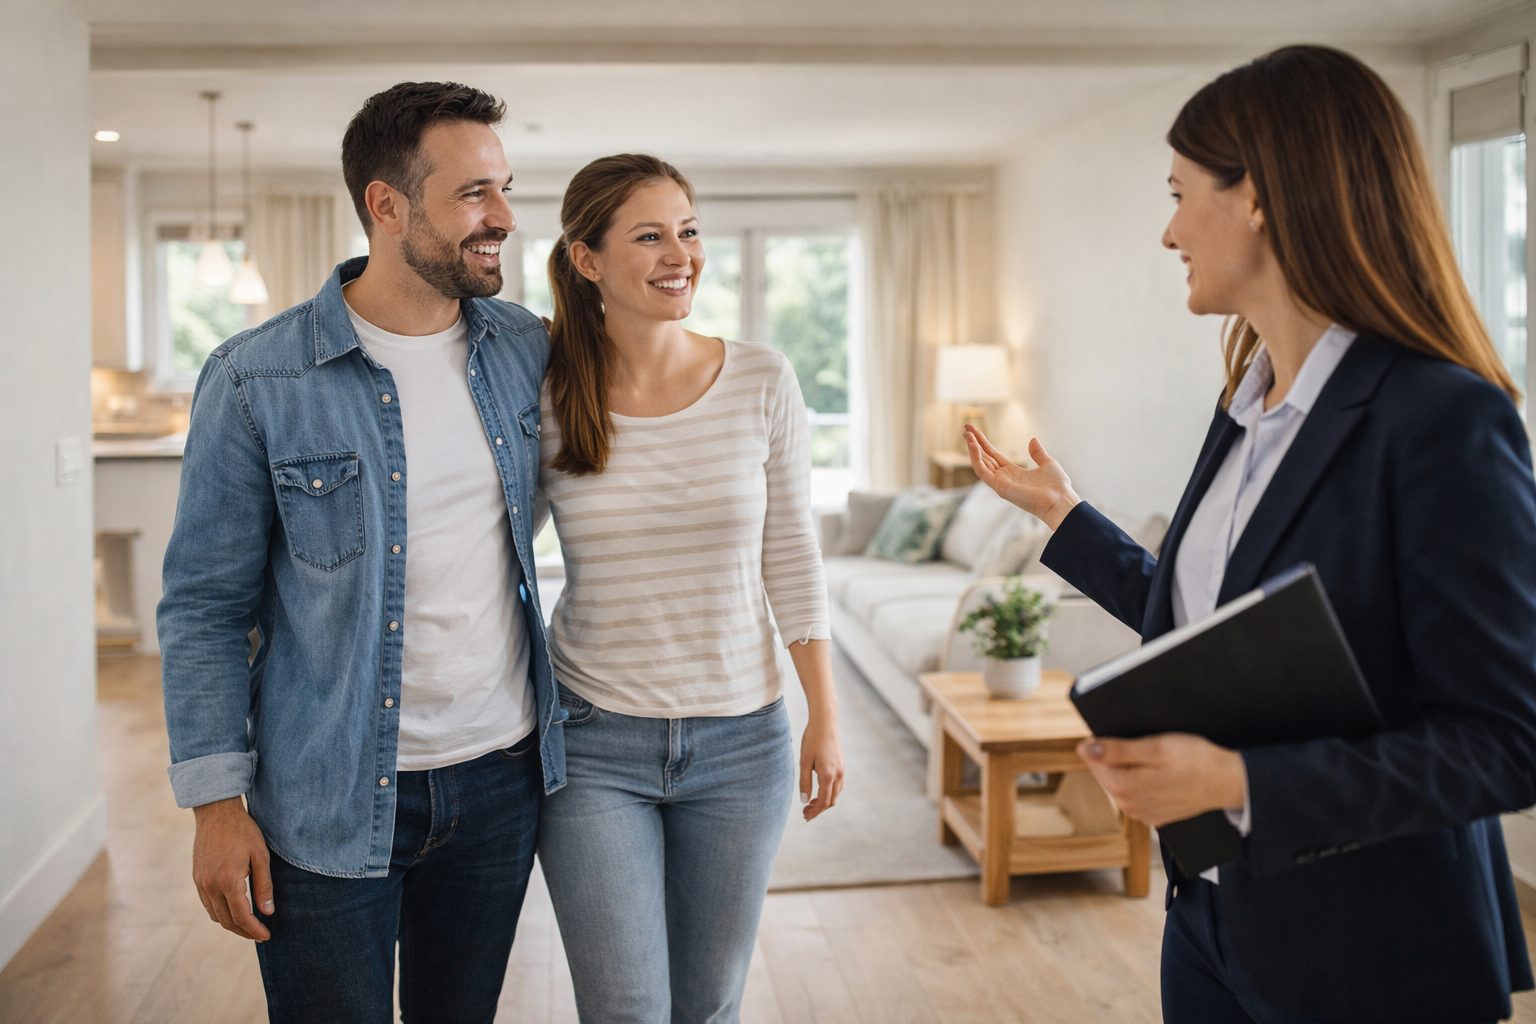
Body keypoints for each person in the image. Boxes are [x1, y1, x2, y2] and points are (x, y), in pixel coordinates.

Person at [965, 45, 1536, 1024]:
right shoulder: (1247, 403)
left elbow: (1506, 743)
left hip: (1369, 954)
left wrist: (1238, 781)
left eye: (1180, 195)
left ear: (1260, 196)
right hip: (1213, 920)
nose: (1168, 231)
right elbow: (1212, 628)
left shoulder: (1442, 419)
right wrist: (1062, 513)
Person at [157, 81, 563, 1023]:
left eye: (504, 189)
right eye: (473, 194)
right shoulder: (257, 377)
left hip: (499, 779)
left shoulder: (525, 350)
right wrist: (216, 806)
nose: (504, 218)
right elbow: (204, 607)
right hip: (326, 793)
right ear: (387, 205)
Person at [534, 153, 845, 1023]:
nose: (681, 255)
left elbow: (793, 554)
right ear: (587, 259)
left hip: (742, 743)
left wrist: (824, 714)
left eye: (690, 230)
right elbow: (493, 549)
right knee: (625, 1009)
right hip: (592, 742)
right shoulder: (547, 393)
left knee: (708, 1006)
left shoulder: (762, 378)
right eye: (650, 236)